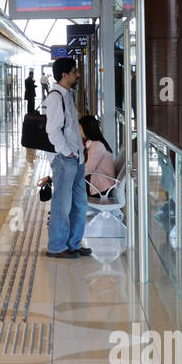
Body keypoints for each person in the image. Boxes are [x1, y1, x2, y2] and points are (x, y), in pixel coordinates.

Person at [43, 57, 91, 258]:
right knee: (62, 205)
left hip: (76, 157)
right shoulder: (55, 97)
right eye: (74, 71)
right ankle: (57, 246)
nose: (78, 74)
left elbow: (71, 128)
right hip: (65, 159)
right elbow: (52, 130)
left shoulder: (68, 94)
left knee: (80, 203)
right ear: (64, 75)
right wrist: (67, 152)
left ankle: (73, 242)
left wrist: (78, 151)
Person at [80, 115, 116, 198]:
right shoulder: (95, 143)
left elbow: (87, 170)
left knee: (68, 186)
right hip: (98, 184)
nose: (79, 131)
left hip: (100, 189)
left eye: (80, 128)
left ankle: (65, 210)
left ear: (87, 129)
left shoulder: (97, 146)